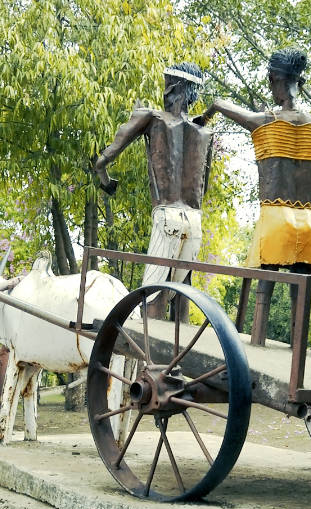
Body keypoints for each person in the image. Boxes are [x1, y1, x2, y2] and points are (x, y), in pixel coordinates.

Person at [198, 48, 311, 343]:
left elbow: (221, 104)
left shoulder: (266, 121)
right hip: (309, 221)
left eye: (270, 82)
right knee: (300, 291)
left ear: (274, 79)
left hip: (276, 215)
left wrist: (208, 113)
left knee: (264, 289)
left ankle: (257, 341)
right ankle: (298, 352)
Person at [94, 63, 212, 318]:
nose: (164, 89)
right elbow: (204, 183)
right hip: (194, 219)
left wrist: (106, 181)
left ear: (174, 88)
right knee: (182, 290)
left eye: (167, 83)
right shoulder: (203, 131)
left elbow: (104, 159)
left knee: (155, 295)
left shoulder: (153, 118)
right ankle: (181, 352)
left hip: (167, 216)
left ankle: (151, 351)